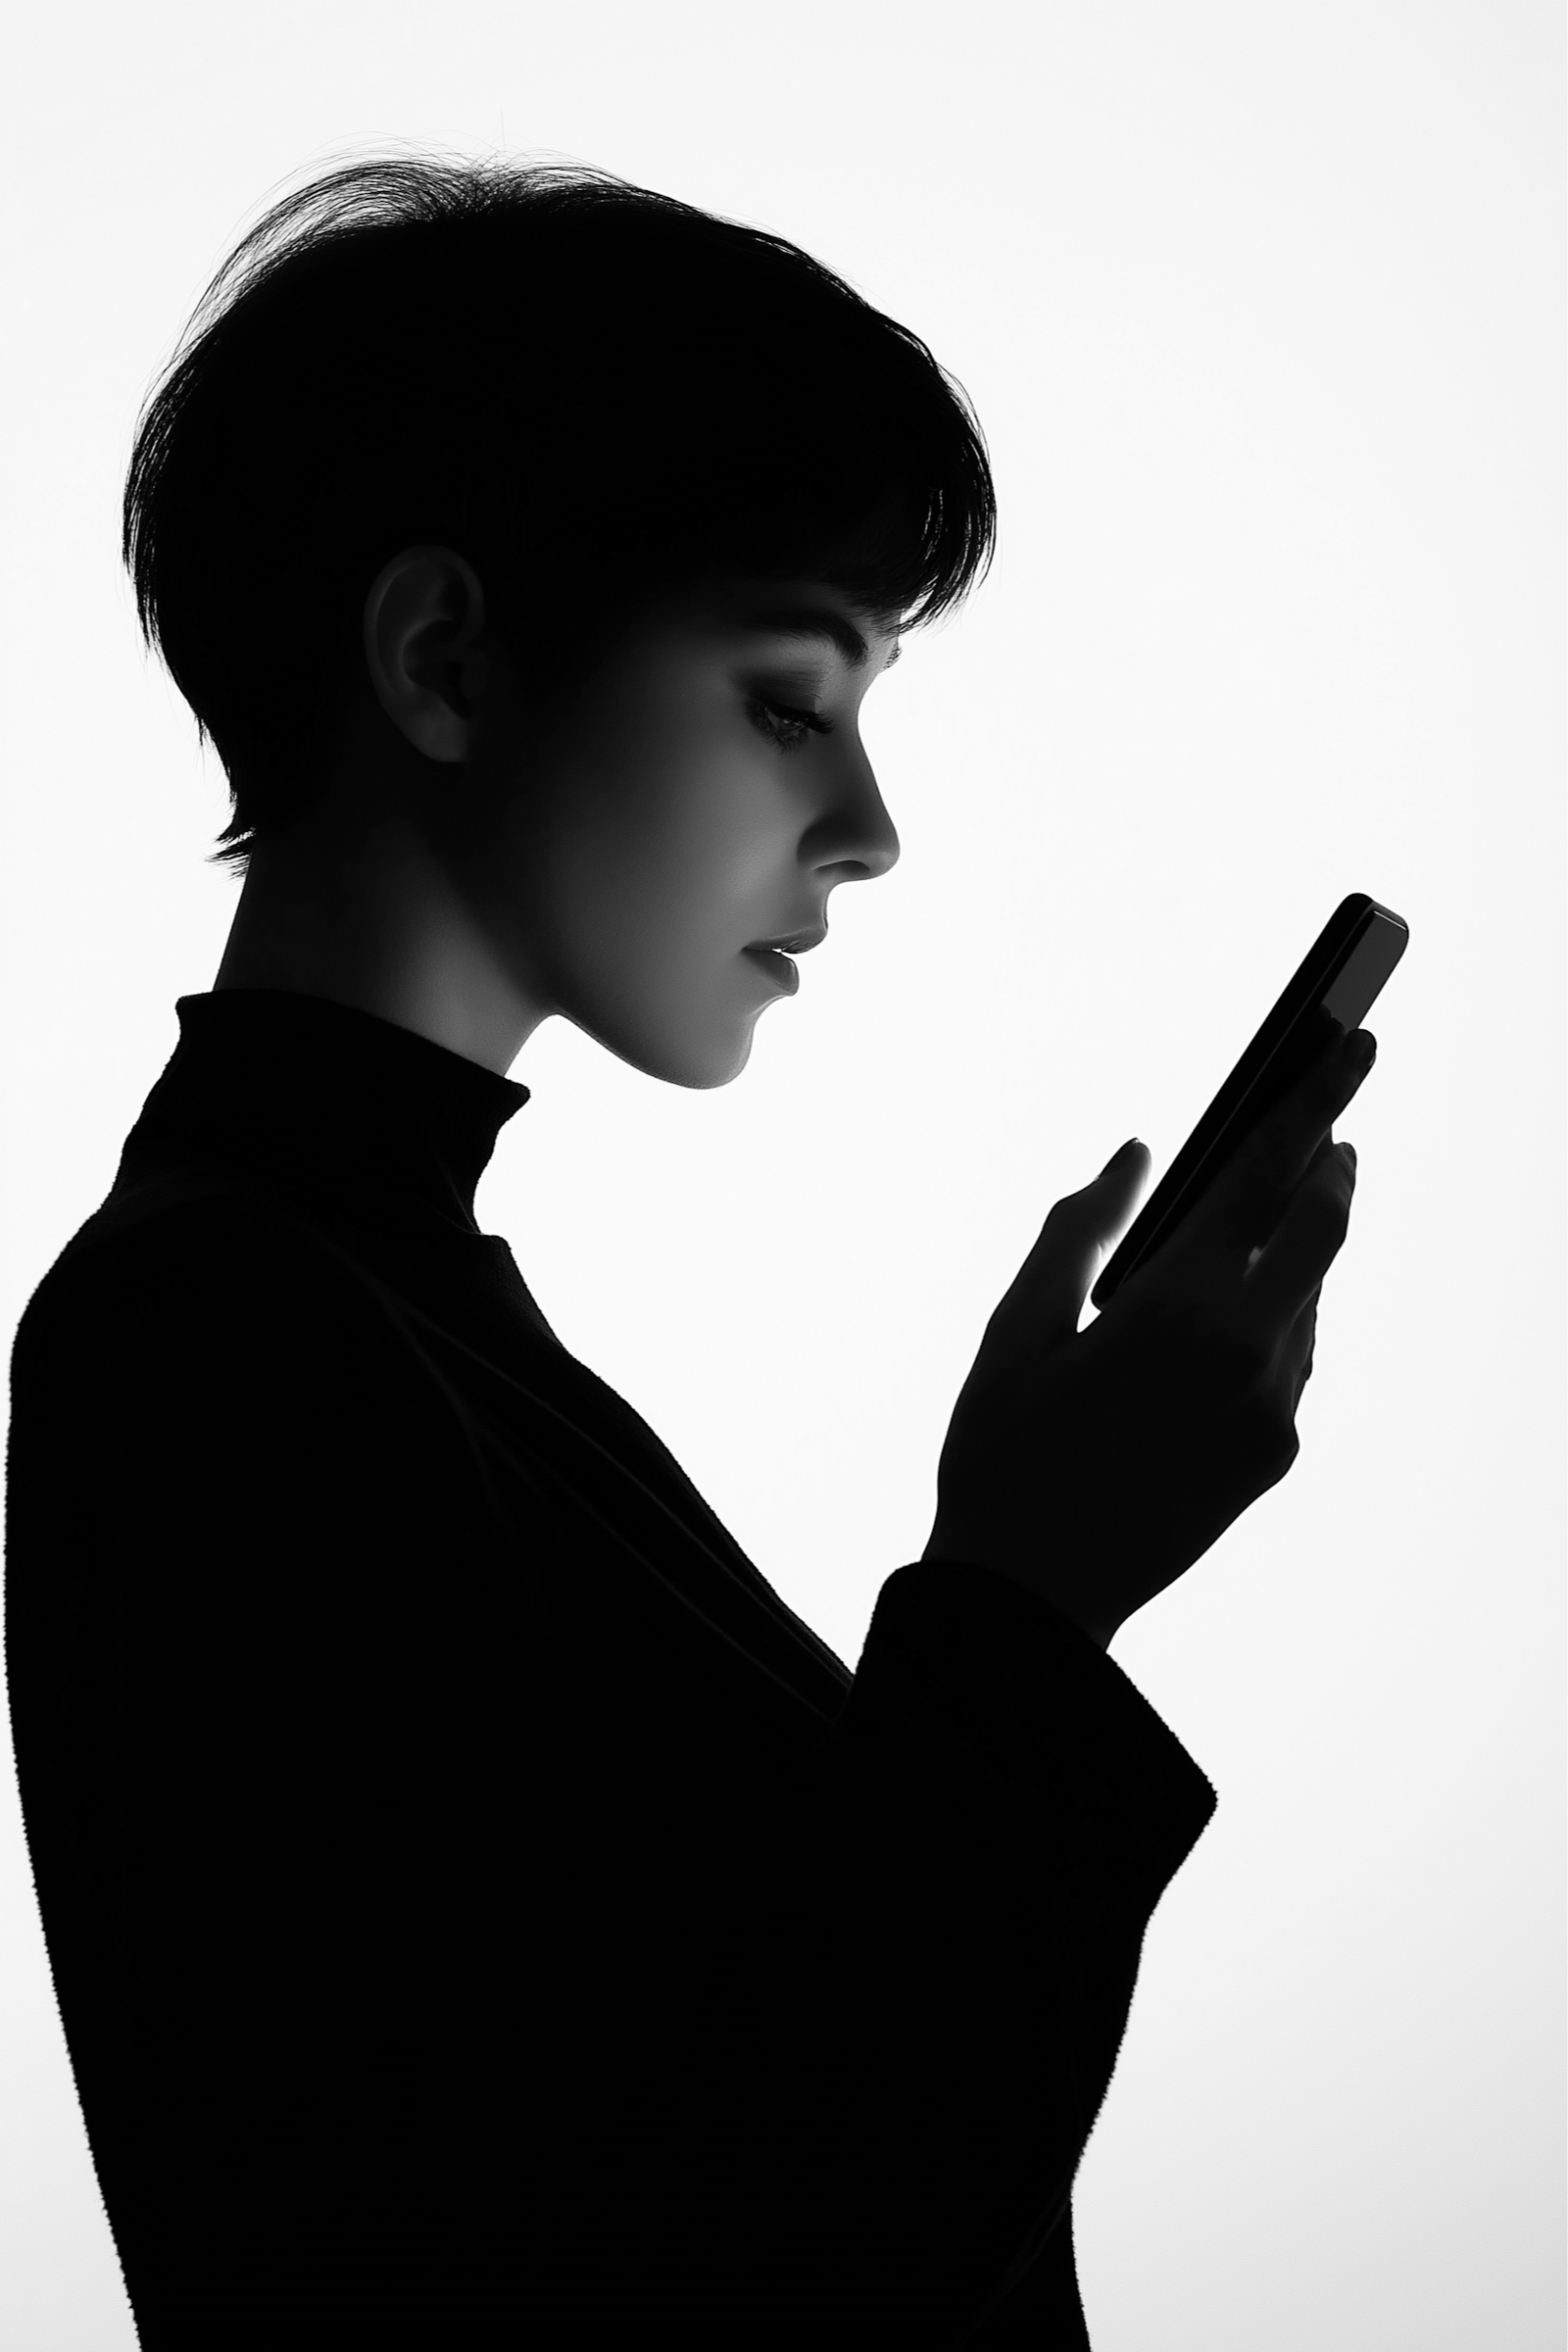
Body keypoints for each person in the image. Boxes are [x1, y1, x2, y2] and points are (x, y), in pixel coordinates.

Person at [3, 152, 1376, 2349]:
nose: (867, 824)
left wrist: (1016, 1577)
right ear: (443, 659)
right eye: (782, 694)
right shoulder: (214, 1338)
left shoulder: (367, 1304)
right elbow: (714, 2266)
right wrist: (1026, 1601)